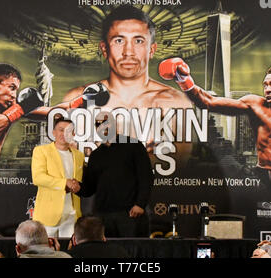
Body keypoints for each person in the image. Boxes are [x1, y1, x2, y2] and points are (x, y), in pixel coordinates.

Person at [159, 60, 271, 184]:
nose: (268, 89)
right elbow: (208, 102)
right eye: (265, 85)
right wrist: (183, 78)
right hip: (265, 180)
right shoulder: (256, 105)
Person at [62, 5, 193, 155]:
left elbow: (180, 168)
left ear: (151, 50)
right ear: (104, 49)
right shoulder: (77, 98)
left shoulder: (176, 102)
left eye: (138, 41)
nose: (128, 52)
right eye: (119, 41)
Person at [77, 114, 154, 237]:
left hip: (130, 213)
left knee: (131, 253)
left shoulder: (133, 145)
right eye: (99, 125)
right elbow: (90, 188)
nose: (104, 128)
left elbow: (146, 177)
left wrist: (140, 204)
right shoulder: (96, 155)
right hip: (103, 216)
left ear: (115, 126)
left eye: (107, 124)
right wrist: (76, 187)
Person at [31, 117, 84, 238]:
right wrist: (65, 183)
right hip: (48, 214)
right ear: (53, 132)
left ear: (74, 134)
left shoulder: (79, 155)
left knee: (69, 253)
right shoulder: (41, 151)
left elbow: (78, 182)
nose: (64, 133)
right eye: (61, 130)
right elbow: (38, 178)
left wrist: (76, 186)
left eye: (69, 131)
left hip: (72, 214)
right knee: (45, 253)